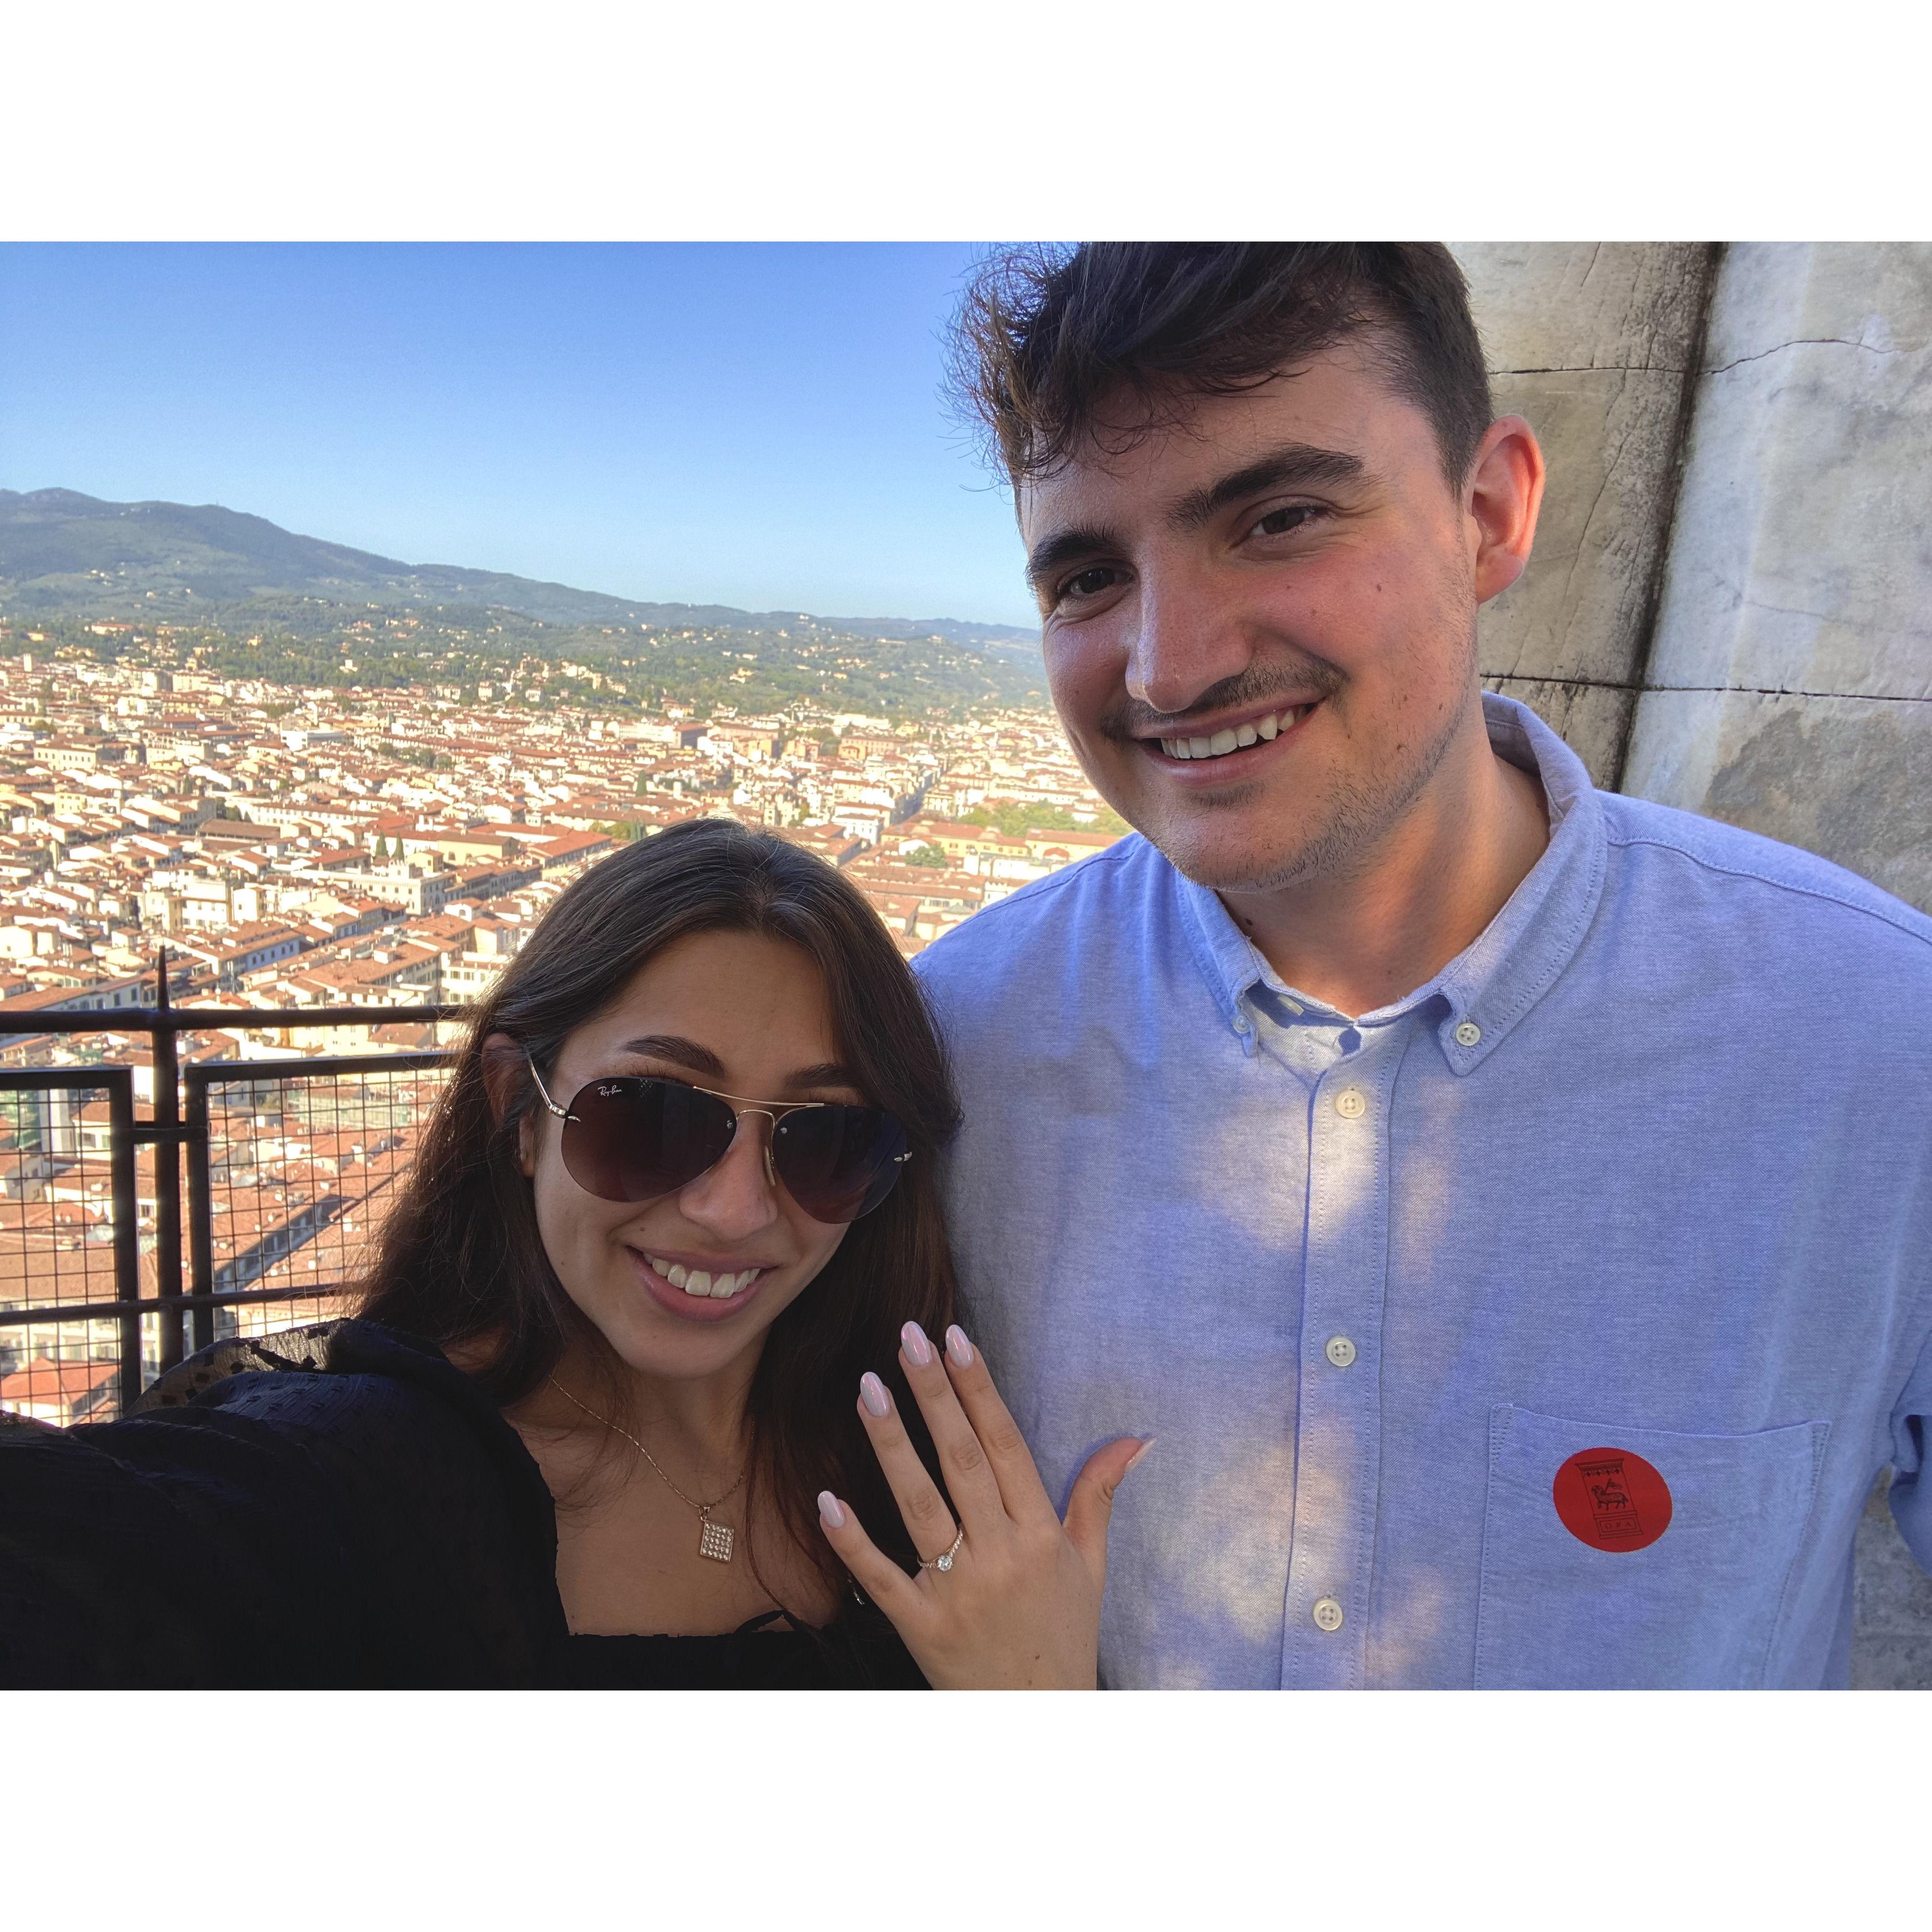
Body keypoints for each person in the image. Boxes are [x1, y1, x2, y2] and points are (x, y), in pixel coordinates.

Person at [915, 241, 1932, 1689]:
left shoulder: (1880, 1047)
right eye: (1087, 575)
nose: (1165, 668)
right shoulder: (954, 1054)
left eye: (1277, 517)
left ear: (1491, 512)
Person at [0, 820, 1145, 1688]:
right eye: (654, 1113)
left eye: (828, 1137)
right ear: (519, 1106)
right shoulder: (369, 1475)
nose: (737, 1209)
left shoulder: (926, 1483)